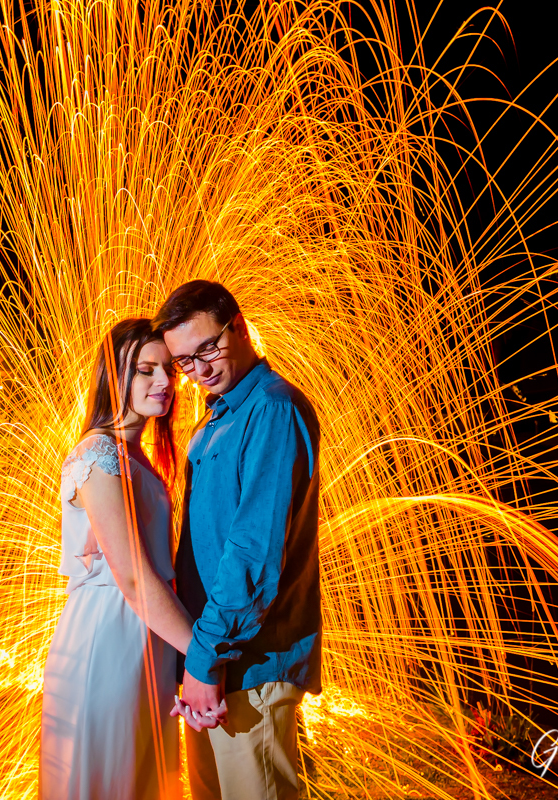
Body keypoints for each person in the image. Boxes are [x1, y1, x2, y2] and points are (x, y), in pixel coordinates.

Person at [153, 281, 322, 800]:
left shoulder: (271, 409)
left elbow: (253, 553)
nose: (200, 369)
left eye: (208, 347)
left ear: (240, 327)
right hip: (216, 662)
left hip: (249, 664)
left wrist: (204, 659)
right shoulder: (216, 419)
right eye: (185, 361)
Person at [39, 318, 217, 800]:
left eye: (168, 371)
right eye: (146, 370)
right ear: (114, 376)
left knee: (143, 780)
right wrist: (203, 660)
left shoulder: (137, 459)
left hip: (146, 642)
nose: (165, 383)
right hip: (109, 641)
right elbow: (135, 580)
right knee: (112, 780)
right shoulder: (97, 454)